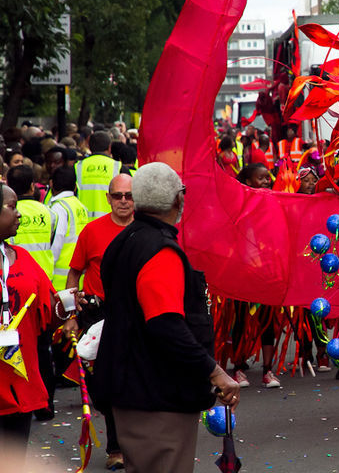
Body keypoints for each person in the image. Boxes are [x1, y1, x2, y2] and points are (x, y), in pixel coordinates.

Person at [93, 163, 239, 473]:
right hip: (156, 396)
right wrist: (214, 372)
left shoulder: (124, 241)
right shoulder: (159, 251)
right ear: (177, 200)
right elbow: (165, 324)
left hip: (130, 387)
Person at [61, 174, 134, 470]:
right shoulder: (92, 231)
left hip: (133, 316)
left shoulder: (146, 230)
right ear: (108, 198)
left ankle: (121, 446)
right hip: (96, 317)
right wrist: (71, 315)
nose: (124, 202)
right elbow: (74, 275)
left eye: (129, 196)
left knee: (129, 384)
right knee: (103, 388)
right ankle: (118, 444)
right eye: (118, 196)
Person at [0, 183, 58, 465]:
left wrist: (69, 308)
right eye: (11, 207)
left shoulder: (22, 257)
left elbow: (48, 312)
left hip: (19, 379)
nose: (19, 214)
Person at [231, 163, 281, 388]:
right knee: (241, 321)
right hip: (242, 273)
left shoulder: (274, 203)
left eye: (268, 177)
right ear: (248, 181)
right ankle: (239, 369)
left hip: (267, 272)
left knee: (267, 322)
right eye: (261, 178)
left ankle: (268, 371)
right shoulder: (238, 205)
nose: (266, 181)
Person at [47, 166, 89, 292]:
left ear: (51, 184)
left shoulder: (59, 208)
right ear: (75, 186)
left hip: (60, 282)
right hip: (78, 278)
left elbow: (56, 243)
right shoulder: (81, 207)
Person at [75, 131, 123, 221]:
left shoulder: (78, 166)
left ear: (89, 147)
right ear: (109, 148)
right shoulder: (118, 167)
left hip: (83, 222)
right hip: (110, 223)